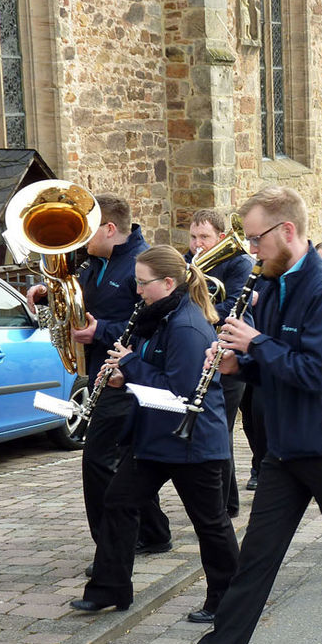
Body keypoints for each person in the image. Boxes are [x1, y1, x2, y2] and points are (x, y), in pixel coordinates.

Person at [148, 186, 322, 644]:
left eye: (257, 239)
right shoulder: (273, 282)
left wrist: (255, 344)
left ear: (287, 231)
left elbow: (315, 373)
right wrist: (242, 365)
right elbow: (277, 362)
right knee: (255, 563)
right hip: (285, 447)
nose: (251, 250)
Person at [70, 245, 239, 623]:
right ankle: (109, 589)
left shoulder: (187, 325)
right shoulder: (158, 317)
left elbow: (181, 389)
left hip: (192, 439)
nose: (137, 290)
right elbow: (152, 369)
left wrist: (128, 366)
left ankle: (228, 599)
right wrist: (120, 376)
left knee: (210, 523)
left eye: (143, 283)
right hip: (157, 436)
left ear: (167, 283)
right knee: (118, 501)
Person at [25, 195, 170, 571]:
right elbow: (79, 301)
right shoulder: (96, 260)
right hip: (104, 372)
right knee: (127, 459)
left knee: (98, 459)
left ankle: (110, 548)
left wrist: (101, 330)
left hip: (126, 373)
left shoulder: (144, 264)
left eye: (89, 230)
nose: (82, 239)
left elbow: (154, 324)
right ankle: (154, 533)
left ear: (109, 229)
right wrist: (48, 295)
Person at [185, 209, 254, 517]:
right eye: (193, 237)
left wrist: (195, 311)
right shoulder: (187, 263)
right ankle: (225, 502)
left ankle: (223, 504)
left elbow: (234, 305)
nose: (197, 244)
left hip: (231, 352)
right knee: (213, 429)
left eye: (204, 237)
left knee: (219, 428)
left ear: (221, 237)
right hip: (203, 352)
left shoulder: (238, 261)